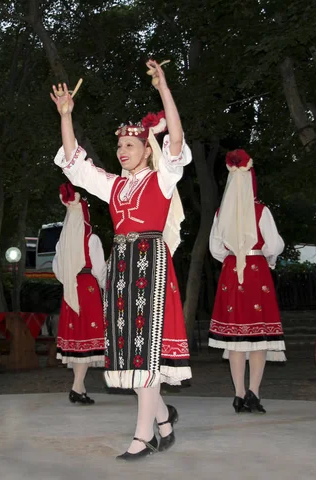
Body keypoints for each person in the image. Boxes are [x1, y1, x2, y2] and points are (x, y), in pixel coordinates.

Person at [50, 59, 192, 460]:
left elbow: (177, 138)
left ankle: (143, 434)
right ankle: (163, 420)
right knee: (133, 355)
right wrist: (66, 116)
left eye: (130, 145)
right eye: (119, 146)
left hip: (151, 263)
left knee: (145, 354)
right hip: (122, 267)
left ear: (148, 149)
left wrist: (163, 88)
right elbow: (75, 163)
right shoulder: (111, 185)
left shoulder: (162, 178)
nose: (122, 151)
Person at [208, 149, 286, 414]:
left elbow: (215, 249)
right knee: (258, 337)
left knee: (236, 340)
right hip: (256, 272)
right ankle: (254, 392)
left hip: (232, 273)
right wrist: (266, 258)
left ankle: (239, 394)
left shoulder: (221, 213)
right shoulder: (261, 210)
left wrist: (232, 258)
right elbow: (274, 244)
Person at [52, 182, 106, 405]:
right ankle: (76, 387)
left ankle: (80, 389)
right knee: (85, 339)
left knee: (77, 339)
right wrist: (105, 285)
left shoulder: (62, 242)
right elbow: (100, 269)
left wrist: (68, 281)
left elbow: (57, 269)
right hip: (87, 288)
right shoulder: (91, 239)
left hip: (70, 289)